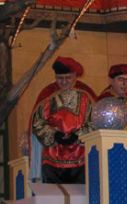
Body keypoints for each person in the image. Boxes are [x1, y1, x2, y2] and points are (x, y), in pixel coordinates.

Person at [31, 56, 96, 184]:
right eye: (60, 78)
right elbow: (37, 123)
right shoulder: (48, 99)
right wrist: (54, 135)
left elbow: (94, 122)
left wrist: (77, 136)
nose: (64, 81)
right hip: (52, 160)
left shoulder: (86, 99)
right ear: (55, 78)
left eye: (68, 78)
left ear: (75, 77)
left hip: (80, 159)